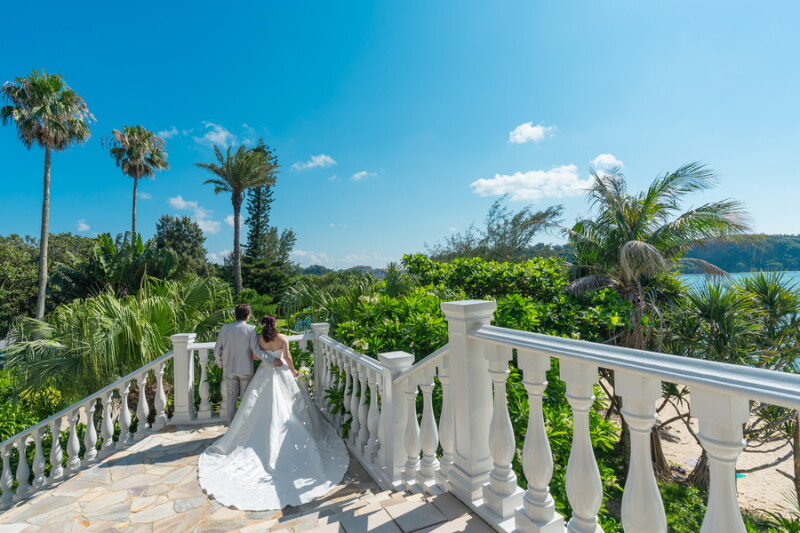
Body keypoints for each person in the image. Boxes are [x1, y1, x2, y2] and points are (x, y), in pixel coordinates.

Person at [198, 315, 349, 511]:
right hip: (282, 372)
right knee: (293, 407)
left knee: (255, 407)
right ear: (275, 324)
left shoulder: (259, 339)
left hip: (265, 372)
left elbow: (254, 355)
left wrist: (267, 358)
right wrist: (293, 371)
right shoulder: (283, 338)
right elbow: (287, 357)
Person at [214, 303, 282, 424]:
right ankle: (243, 426)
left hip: (229, 368)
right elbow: (256, 351)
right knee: (245, 400)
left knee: (231, 400)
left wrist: (221, 364)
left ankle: (231, 427)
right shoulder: (251, 329)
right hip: (245, 369)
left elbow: (216, 351)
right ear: (248, 315)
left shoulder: (225, 328)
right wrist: (273, 360)